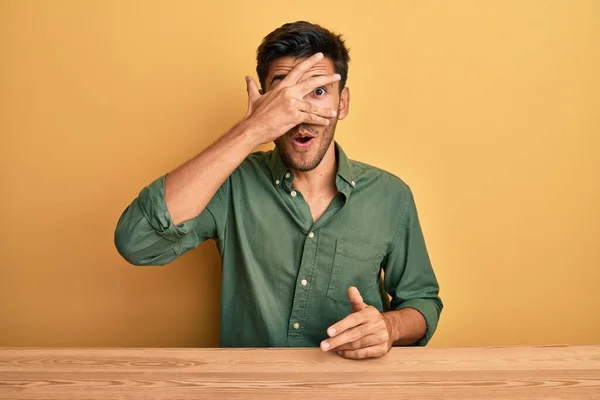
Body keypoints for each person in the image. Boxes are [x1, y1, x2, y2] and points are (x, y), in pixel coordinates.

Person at [114, 21, 442, 359]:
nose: (300, 113)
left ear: (342, 103)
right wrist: (250, 130)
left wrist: (388, 328)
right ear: (265, 102)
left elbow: (422, 303)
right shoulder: (230, 184)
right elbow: (137, 242)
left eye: (317, 91)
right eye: (284, 94)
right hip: (251, 390)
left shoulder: (390, 195)